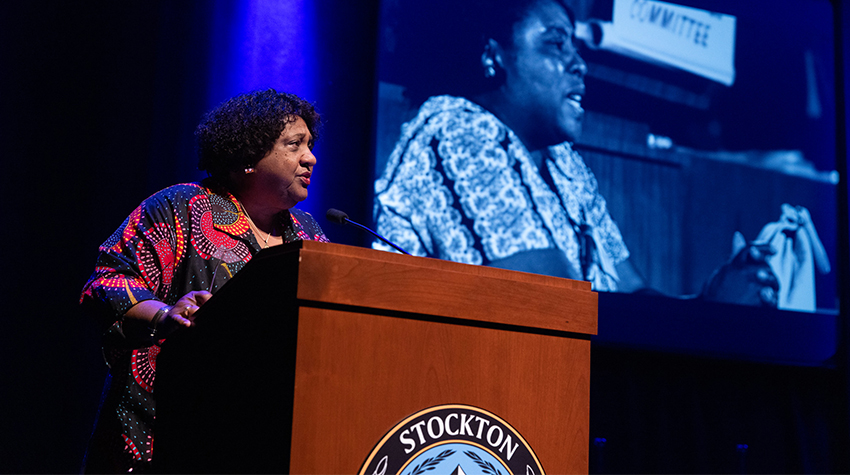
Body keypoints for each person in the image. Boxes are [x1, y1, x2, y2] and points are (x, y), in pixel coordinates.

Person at [373, 0, 778, 303]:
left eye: (575, 47)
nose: (579, 64)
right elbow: (556, 303)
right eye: (554, 45)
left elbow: (630, 292)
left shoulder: (563, 161)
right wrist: (704, 316)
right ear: (493, 55)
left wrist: (711, 299)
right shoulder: (456, 128)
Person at [79, 89, 328, 473]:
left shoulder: (307, 233)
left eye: (310, 145)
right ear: (249, 155)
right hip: (161, 438)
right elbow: (107, 282)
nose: (310, 157)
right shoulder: (180, 207)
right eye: (295, 145)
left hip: (266, 442)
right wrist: (164, 315)